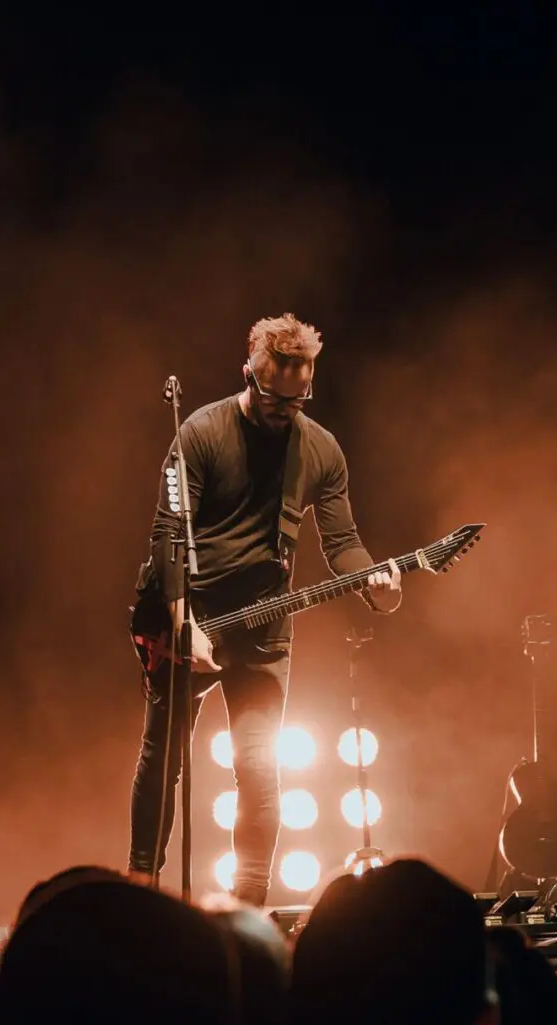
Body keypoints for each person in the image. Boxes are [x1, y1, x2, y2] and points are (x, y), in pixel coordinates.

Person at [126, 313, 401, 905]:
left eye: (297, 401)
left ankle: (248, 907)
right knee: (164, 759)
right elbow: (168, 530)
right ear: (248, 372)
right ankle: (140, 888)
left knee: (259, 772)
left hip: (262, 630)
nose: (284, 411)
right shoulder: (199, 433)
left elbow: (342, 544)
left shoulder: (320, 450)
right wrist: (180, 619)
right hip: (188, 619)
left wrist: (373, 581)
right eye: (274, 398)